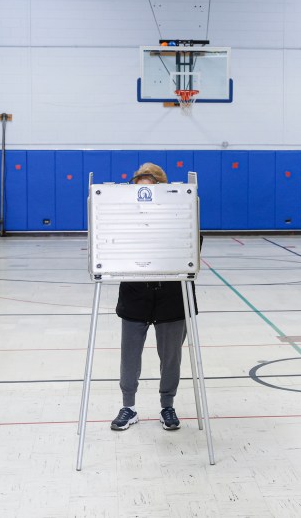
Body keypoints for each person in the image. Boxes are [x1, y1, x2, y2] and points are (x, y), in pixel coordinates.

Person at [111, 162, 198, 432]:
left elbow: (193, 250)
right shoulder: (122, 217)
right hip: (135, 294)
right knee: (130, 355)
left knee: (171, 357)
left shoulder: (183, 212)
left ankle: (167, 405)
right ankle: (129, 406)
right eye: (139, 190)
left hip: (172, 296)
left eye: (149, 190)